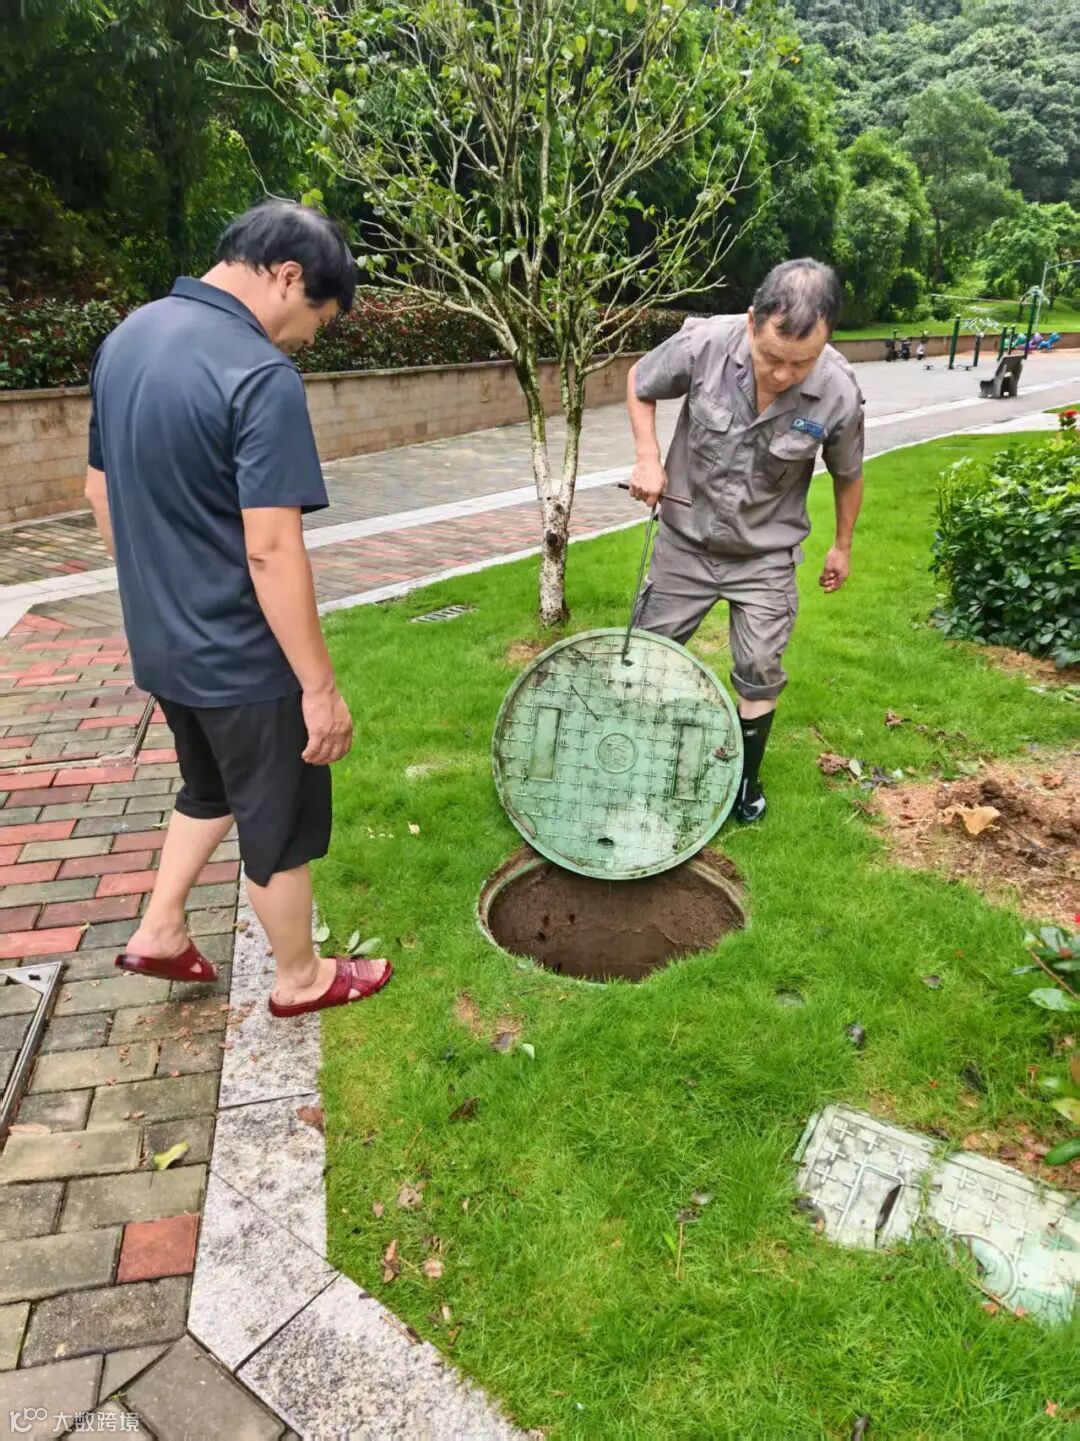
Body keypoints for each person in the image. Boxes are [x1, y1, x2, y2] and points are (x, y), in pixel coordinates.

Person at [84, 201, 392, 1017]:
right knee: (278, 821)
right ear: (288, 276)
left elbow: (98, 492)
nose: (307, 339)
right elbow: (271, 549)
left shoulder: (129, 338)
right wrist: (319, 688)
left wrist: (162, 587)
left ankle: (160, 927)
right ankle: (302, 978)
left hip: (163, 645)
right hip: (242, 658)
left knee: (209, 785)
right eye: (318, 319)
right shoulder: (258, 374)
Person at [625, 259, 865, 823]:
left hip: (764, 555)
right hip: (685, 543)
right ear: (753, 321)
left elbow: (848, 472)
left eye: (801, 363)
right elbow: (639, 381)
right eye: (772, 357)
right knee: (647, 655)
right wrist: (647, 458)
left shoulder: (838, 391)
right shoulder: (704, 345)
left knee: (759, 665)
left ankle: (744, 780)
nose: (783, 375)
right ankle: (634, 758)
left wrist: (843, 545)